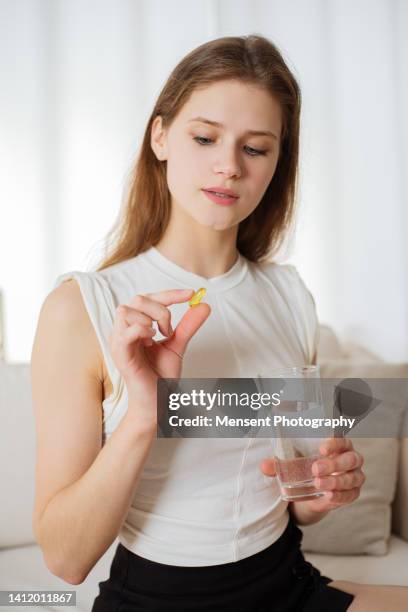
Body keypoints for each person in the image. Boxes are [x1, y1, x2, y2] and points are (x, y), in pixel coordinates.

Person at [31, 35, 408, 611]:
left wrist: (322, 488)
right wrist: (144, 415)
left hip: (287, 585)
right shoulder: (83, 307)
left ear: (277, 162)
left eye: (255, 148)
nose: (228, 165)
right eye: (204, 137)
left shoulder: (289, 295)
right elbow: (64, 559)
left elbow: (290, 494)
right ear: (160, 137)